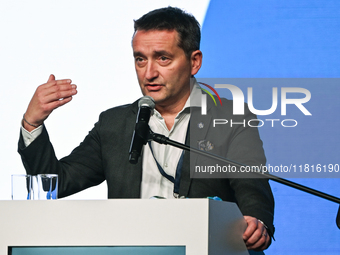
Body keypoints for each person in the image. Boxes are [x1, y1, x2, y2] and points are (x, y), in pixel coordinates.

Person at [18, 7, 274, 252]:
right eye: (140, 60)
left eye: (163, 58)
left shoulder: (230, 118)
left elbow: (252, 188)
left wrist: (257, 223)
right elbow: (54, 184)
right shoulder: (115, 123)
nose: (149, 73)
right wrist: (32, 123)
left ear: (194, 62)